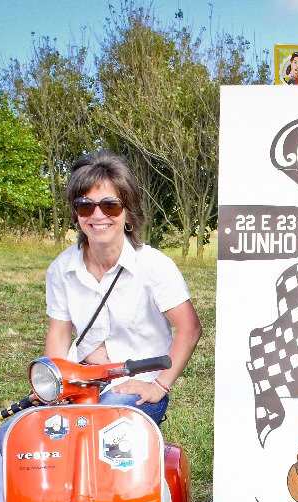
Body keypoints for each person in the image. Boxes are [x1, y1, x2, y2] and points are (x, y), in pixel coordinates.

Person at [44, 152, 202, 426]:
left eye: (110, 205)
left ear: (128, 213)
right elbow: (59, 333)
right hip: (82, 383)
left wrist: (159, 386)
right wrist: (56, 390)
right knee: (19, 435)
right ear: (76, 215)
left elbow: (190, 329)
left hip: (136, 385)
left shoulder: (154, 265)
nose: (98, 215)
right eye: (85, 206)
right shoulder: (62, 268)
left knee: (94, 427)